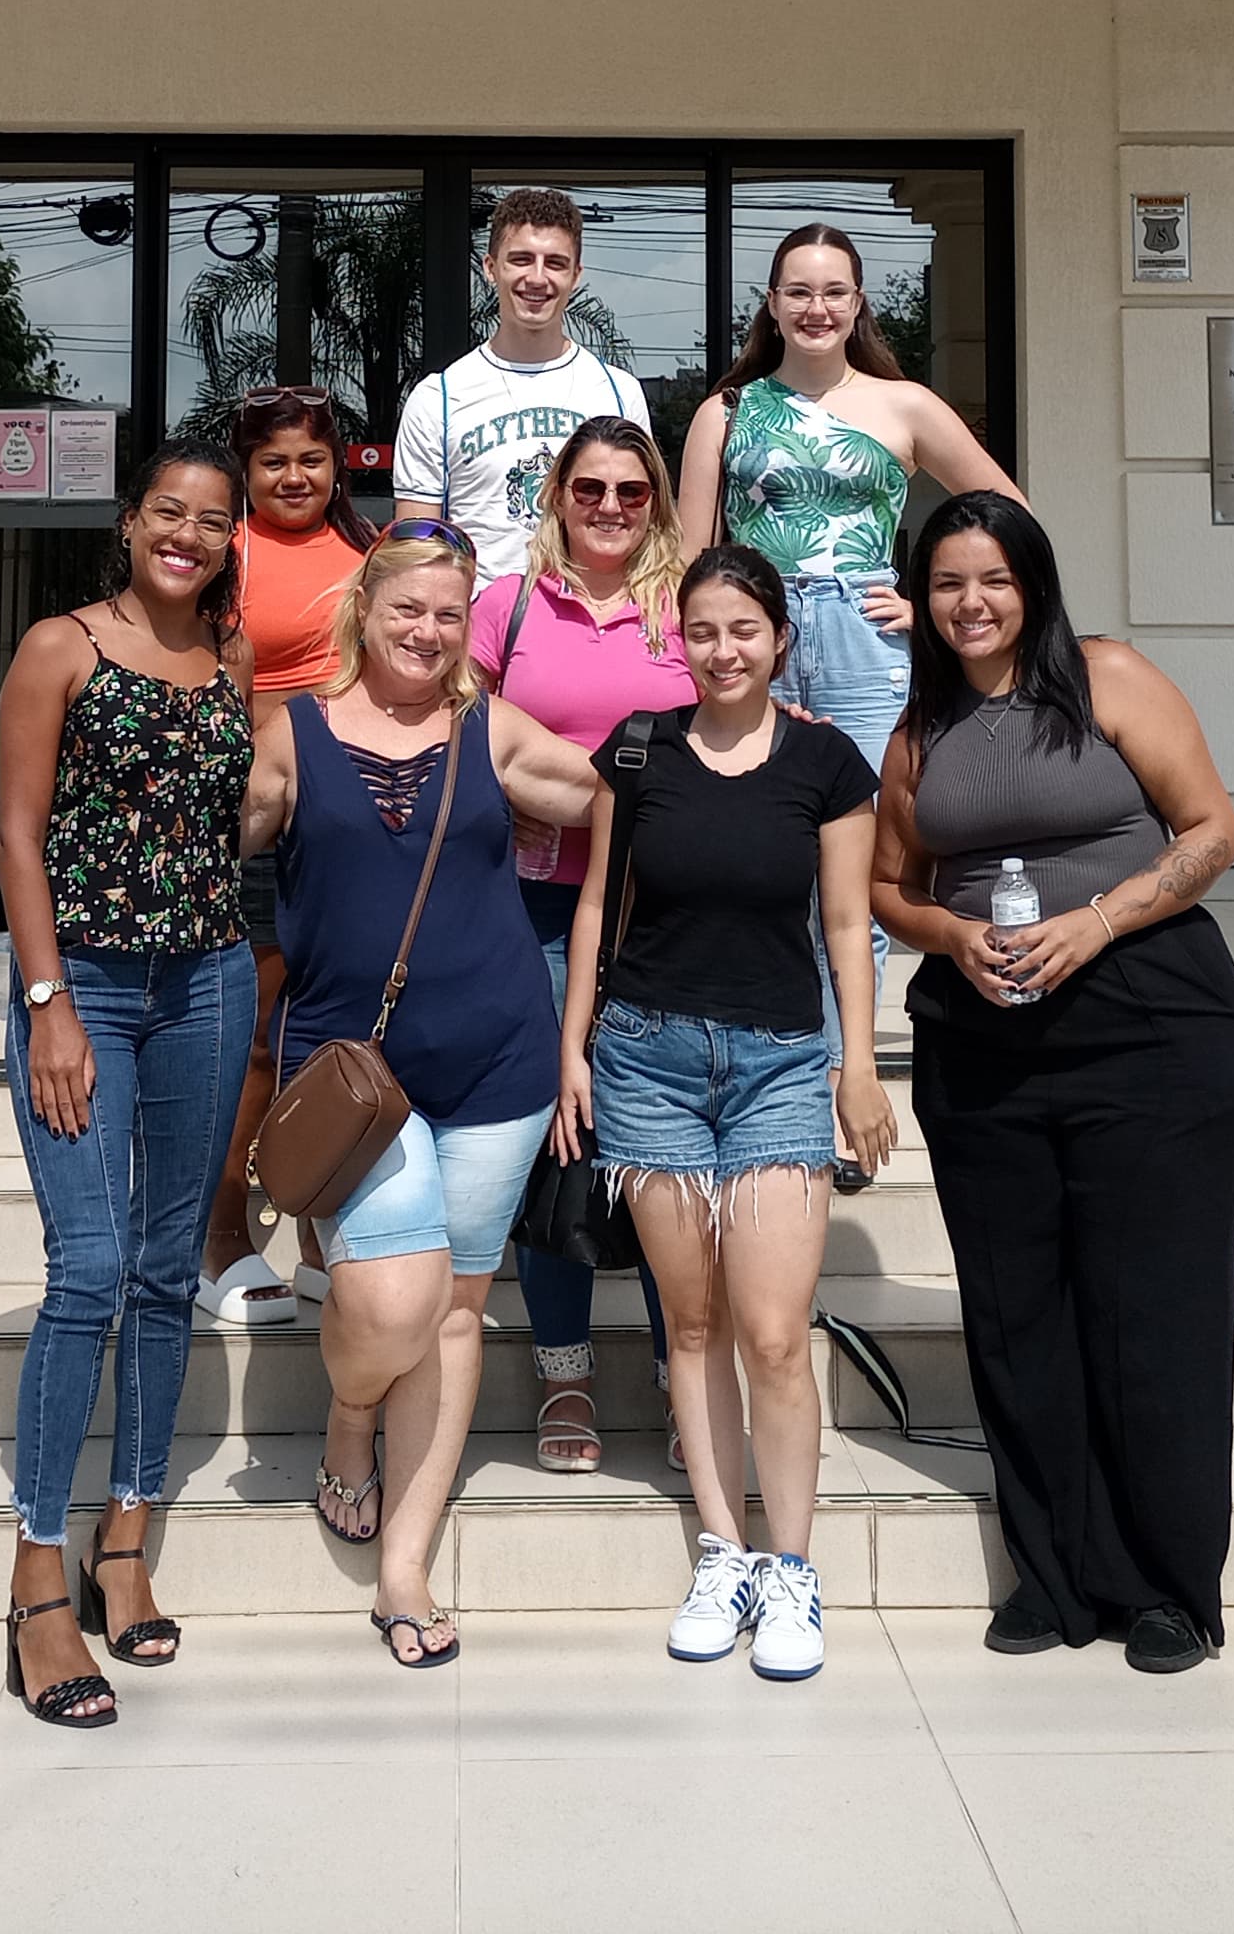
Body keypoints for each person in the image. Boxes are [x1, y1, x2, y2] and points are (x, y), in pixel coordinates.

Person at [867, 495, 1234, 1676]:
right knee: (1015, 1307)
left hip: (1151, 1022)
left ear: (1031, 583)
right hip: (983, 1036)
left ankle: (1165, 1585)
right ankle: (1048, 1569)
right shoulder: (918, 729)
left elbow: (1210, 831)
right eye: (946, 582)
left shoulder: (1107, 677)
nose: (970, 602)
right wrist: (948, 933)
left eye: (992, 577)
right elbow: (888, 884)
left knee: (1153, 1310)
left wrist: (1097, 918)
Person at [242, 519, 603, 1669]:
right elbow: (200, 847)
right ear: (364, 610)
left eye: (450, 613)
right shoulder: (290, 735)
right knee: (395, 1301)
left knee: (454, 1309)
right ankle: (351, 1407)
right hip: (354, 1080)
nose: (428, 629)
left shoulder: (491, 727)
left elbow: (619, 793)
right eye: (407, 607)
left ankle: (404, 1565)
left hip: (499, 1060)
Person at [554, 548, 893, 1682]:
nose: (722, 649)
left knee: (773, 1332)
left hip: (781, 1063)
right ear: (679, 640)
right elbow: (597, 903)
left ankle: (790, 1566)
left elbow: (844, 925)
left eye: (743, 628)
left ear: (779, 637)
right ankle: (723, 1551)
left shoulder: (826, 761)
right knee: (689, 1322)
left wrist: (858, 1066)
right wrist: (573, 1051)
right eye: (701, 630)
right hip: (645, 1060)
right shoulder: (638, 749)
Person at [0, 436, 263, 1730]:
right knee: (88, 1268)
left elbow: (228, 825)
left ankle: (128, 1535)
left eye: (210, 520)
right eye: (168, 511)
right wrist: (47, 1003)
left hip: (207, 982)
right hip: (84, 984)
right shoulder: (61, 647)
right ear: (129, 520)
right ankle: (38, 1575)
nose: (186, 535)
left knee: (163, 1268)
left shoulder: (231, 661)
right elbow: (18, 835)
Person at [468, 419, 695, 1473]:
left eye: (631, 491)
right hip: (532, 911)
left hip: (665, 912)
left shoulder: (685, 607)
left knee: (658, 1144)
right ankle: (564, 1371)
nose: (609, 507)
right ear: (557, 494)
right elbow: (447, 720)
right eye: (590, 487)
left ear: (656, 503)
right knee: (555, 1135)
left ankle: (679, 1370)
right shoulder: (506, 606)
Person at [679, 221, 1023, 773]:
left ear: (858, 302)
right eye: (799, 293)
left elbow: (1012, 519)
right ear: (772, 302)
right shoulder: (724, 412)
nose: (817, 309)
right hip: (753, 636)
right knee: (760, 808)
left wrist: (930, 609)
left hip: (867, 639)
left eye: (835, 293)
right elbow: (688, 562)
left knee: (874, 805)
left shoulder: (906, 406)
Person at [200, 386, 374, 1330]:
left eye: (311, 459)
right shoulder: (220, 554)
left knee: (339, 1035)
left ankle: (317, 1241)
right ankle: (224, 1237)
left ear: (337, 464)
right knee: (257, 1042)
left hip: (357, 821)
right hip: (258, 822)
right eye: (273, 462)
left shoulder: (371, 552)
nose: (294, 477)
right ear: (246, 470)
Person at [391, 185, 650, 588]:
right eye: (521, 259)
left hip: (589, 614)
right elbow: (414, 554)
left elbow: (642, 530)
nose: (537, 278)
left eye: (556, 263)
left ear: (576, 276)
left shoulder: (620, 393)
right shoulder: (437, 399)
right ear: (491, 267)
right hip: (479, 620)